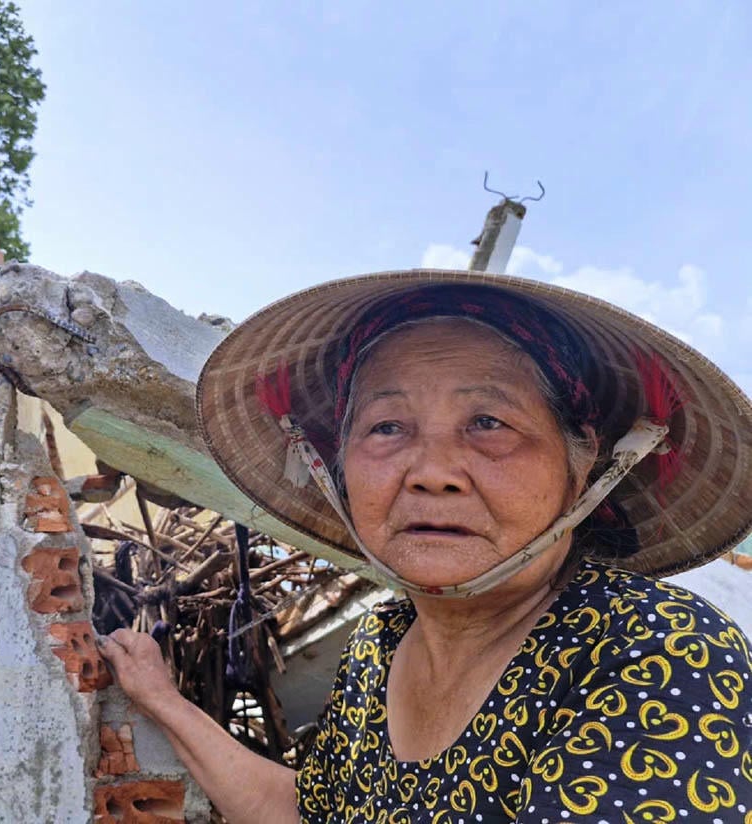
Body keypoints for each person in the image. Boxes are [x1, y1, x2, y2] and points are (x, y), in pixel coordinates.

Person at [96, 272, 752, 823]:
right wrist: (162, 700)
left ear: (583, 464)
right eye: (386, 427)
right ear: (332, 466)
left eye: (487, 423)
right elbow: (307, 814)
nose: (430, 470)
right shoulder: (378, 646)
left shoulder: (658, 649)